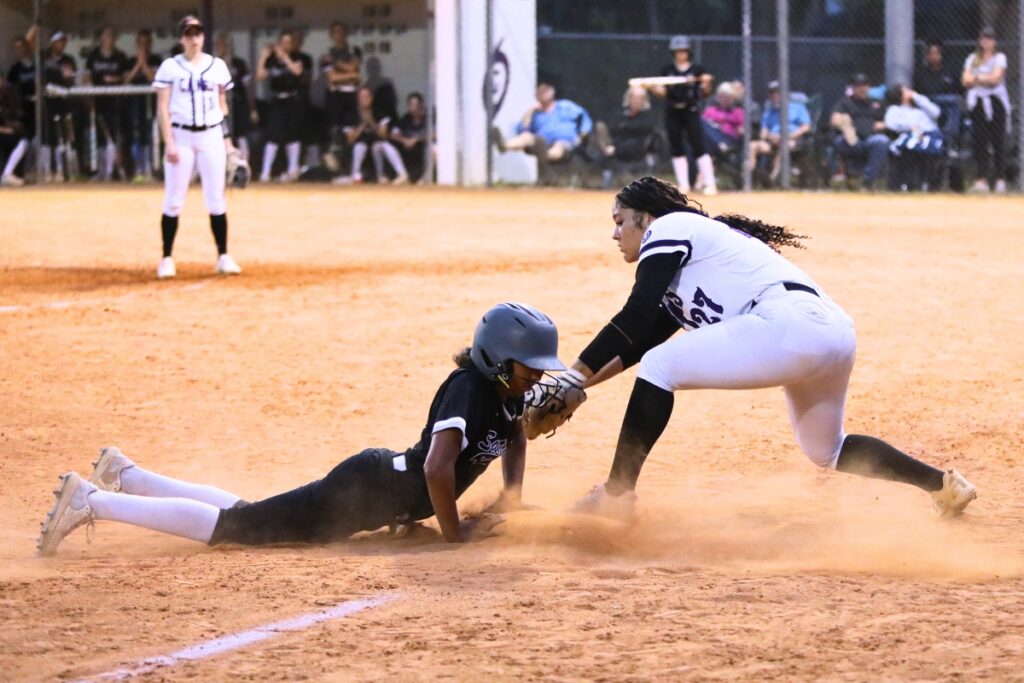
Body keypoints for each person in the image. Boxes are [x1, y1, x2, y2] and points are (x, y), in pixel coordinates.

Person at [531, 176, 976, 522]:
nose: (615, 234)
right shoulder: (690, 266)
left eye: (620, 221)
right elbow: (639, 337)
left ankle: (617, 493)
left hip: (788, 323)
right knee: (827, 449)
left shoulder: (670, 226)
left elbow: (635, 313)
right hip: (830, 331)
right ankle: (943, 485)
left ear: (645, 218)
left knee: (660, 366)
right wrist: (580, 381)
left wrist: (572, 377)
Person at [36, 303, 566, 556]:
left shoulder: (504, 397)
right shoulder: (470, 389)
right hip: (367, 489)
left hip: (376, 495)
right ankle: (92, 501)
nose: (537, 377)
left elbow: (515, 433)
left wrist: (512, 496)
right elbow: (436, 468)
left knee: (248, 514)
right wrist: (455, 535)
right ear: (496, 359)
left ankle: (126, 475)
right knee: (235, 531)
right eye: (529, 367)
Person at [152, 15, 241, 280]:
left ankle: (223, 256)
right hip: (181, 136)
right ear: (181, 38)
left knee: (216, 199)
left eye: (197, 33)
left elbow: (222, 104)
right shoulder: (170, 67)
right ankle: (167, 258)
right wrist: (168, 142)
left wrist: (227, 141)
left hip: (211, 135)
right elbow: (162, 107)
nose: (194, 38)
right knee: (174, 200)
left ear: (203, 37)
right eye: (188, 34)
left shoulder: (217, 66)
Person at [642, 35, 717, 195]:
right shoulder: (668, 71)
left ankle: (710, 183)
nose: (680, 54)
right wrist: (651, 87)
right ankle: (683, 185)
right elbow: (663, 93)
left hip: (690, 110)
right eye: (677, 51)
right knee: (676, 145)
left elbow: (705, 92)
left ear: (688, 52)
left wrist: (706, 83)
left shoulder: (697, 70)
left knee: (698, 144)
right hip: (672, 111)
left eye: (683, 51)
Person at [491, 82, 593, 168]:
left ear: (552, 93)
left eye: (545, 92)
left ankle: (547, 156)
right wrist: (530, 110)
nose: (542, 94)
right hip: (541, 144)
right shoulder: (535, 113)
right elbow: (522, 130)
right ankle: (504, 146)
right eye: (540, 93)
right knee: (526, 137)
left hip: (564, 143)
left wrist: (581, 136)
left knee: (559, 147)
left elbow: (584, 116)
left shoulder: (564, 106)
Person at [962, 26, 1010, 194]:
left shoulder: (999, 58)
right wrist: (982, 79)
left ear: (994, 41)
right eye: (984, 38)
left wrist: (977, 78)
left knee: (998, 140)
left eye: (990, 39)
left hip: (996, 101)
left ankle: (1000, 179)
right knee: (980, 141)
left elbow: (996, 78)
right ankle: (981, 179)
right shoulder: (973, 58)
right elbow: (966, 80)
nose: (987, 42)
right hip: (978, 102)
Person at [256, 30, 304, 183]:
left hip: (292, 99)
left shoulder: (297, 57)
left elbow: (297, 71)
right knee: (273, 136)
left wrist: (285, 58)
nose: (285, 46)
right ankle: (265, 172)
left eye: (288, 43)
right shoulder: (271, 60)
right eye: (282, 43)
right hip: (277, 100)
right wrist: (263, 57)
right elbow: (259, 76)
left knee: (293, 135)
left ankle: (293, 170)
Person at [593, 86, 661, 187]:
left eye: (640, 98)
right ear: (628, 98)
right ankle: (607, 168)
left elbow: (643, 129)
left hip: (637, 150)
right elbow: (614, 128)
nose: (637, 101)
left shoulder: (648, 115)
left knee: (627, 145)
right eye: (634, 97)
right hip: (615, 145)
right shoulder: (620, 113)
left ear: (645, 100)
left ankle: (610, 152)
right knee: (600, 127)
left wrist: (624, 128)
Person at [830, 73, 888, 189]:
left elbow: (887, 121)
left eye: (865, 85)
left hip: (869, 139)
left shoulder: (876, 103)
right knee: (840, 140)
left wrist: (880, 125)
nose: (862, 88)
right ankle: (849, 133)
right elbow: (834, 120)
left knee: (882, 141)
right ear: (853, 88)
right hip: (849, 140)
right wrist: (843, 123)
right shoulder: (845, 102)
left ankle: (868, 180)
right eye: (858, 85)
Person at [748, 80, 812, 186]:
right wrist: (770, 136)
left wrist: (788, 136)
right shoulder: (768, 112)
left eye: (778, 92)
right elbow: (763, 133)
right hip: (772, 141)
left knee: (784, 146)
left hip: (793, 140)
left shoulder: (798, 108)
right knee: (752, 146)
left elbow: (806, 127)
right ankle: (750, 176)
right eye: (772, 93)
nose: (774, 95)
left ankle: (773, 179)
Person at [85, 27, 128, 181]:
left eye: (112, 35)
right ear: (101, 38)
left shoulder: (120, 56)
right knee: (100, 137)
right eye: (106, 35)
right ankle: (101, 171)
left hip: (115, 101)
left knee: (113, 136)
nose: (109, 38)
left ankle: (111, 171)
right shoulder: (94, 56)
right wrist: (89, 93)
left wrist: (113, 80)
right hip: (98, 101)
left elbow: (125, 77)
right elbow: (87, 76)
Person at [342, 85, 408, 184]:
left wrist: (371, 121)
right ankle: (354, 174)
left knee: (382, 145)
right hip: (359, 148)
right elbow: (350, 140)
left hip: (376, 147)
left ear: (371, 98)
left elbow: (384, 135)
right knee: (360, 146)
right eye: (361, 97)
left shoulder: (379, 112)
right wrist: (363, 124)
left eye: (367, 97)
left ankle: (400, 174)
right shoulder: (351, 114)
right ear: (358, 99)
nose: (364, 100)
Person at [883, 84, 943, 191]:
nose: (910, 91)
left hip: (930, 136)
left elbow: (936, 113)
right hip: (910, 137)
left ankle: (927, 184)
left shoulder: (921, 108)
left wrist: (917, 97)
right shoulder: (895, 109)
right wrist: (909, 127)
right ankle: (907, 184)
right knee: (909, 147)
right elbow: (890, 124)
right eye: (906, 91)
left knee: (930, 149)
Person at [321, 21, 362, 173]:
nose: (339, 35)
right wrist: (351, 74)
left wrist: (338, 64)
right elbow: (332, 78)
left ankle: (352, 169)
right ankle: (336, 170)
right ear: (331, 35)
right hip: (335, 96)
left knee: (351, 132)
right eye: (336, 32)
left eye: (342, 32)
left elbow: (355, 69)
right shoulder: (327, 53)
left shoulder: (354, 50)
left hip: (351, 95)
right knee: (335, 132)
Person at [122, 29, 162, 181]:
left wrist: (144, 65)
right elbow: (125, 81)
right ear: (136, 44)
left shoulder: (156, 60)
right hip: (133, 105)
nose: (143, 46)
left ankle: (151, 170)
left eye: (147, 43)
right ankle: (139, 169)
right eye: (141, 43)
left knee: (152, 137)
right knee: (135, 137)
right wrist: (136, 66)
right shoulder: (129, 61)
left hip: (152, 105)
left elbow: (155, 79)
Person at [40, 30, 79, 182]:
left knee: (63, 139)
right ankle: (47, 170)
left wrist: (68, 76)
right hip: (48, 104)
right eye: (58, 41)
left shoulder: (69, 59)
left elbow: (71, 78)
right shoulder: (45, 59)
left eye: (63, 41)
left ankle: (62, 171)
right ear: (52, 43)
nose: (61, 44)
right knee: (48, 139)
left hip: (65, 104)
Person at [215, 32, 257, 165]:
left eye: (225, 44)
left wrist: (252, 108)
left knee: (241, 134)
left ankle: (244, 164)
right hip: (217, 105)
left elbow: (248, 87)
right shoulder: (212, 64)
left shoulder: (239, 64)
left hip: (238, 103)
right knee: (219, 135)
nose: (222, 47)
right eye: (219, 44)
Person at [5, 35, 36, 184]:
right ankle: (12, 172)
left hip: (39, 108)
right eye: (16, 48)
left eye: (21, 46)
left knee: (37, 142)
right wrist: (16, 114)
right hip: (24, 111)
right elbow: (11, 94)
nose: (19, 50)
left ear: (27, 47)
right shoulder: (15, 70)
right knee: (26, 141)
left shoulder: (37, 65)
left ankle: (32, 171)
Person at [390, 91, 428, 183]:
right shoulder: (405, 119)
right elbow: (393, 134)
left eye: (416, 104)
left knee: (434, 149)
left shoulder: (428, 119)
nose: (414, 107)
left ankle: (425, 178)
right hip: (407, 150)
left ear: (421, 105)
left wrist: (417, 139)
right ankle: (402, 175)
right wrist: (404, 140)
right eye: (411, 104)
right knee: (383, 145)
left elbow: (435, 134)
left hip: (423, 150)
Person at [702, 81, 744, 158]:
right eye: (723, 96)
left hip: (728, 138)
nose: (726, 99)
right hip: (711, 139)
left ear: (733, 98)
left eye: (729, 96)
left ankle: (718, 144)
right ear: (718, 97)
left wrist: (741, 130)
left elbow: (742, 128)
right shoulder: (710, 110)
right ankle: (717, 143)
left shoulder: (738, 112)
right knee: (701, 122)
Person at [0, 72, 28, 186]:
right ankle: (7, 174)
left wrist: (12, 125)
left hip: (3, 132)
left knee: (23, 138)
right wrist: (5, 130)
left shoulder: (4, 97)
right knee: (20, 140)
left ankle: (11, 173)